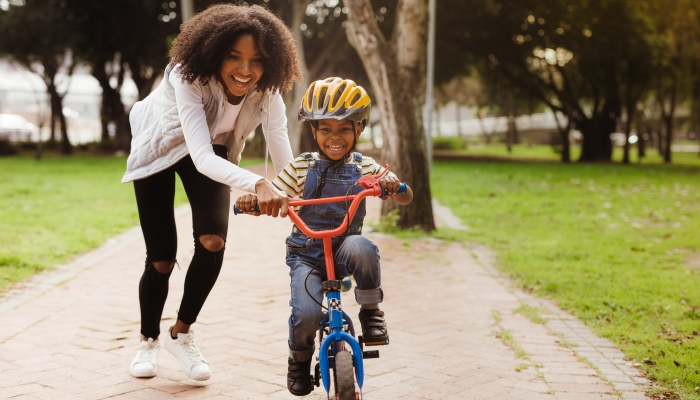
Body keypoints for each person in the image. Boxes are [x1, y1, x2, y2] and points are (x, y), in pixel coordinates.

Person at [121, 4, 302, 381]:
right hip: (160, 149)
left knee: (213, 240)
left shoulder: (267, 91)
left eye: (257, 60)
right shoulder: (188, 76)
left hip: (211, 149)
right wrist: (258, 182)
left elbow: (279, 141)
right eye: (233, 57)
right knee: (161, 260)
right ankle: (148, 339)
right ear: (214, 53)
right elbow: (200, 156)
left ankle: (180, 334)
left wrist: (295, 190)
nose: (245, 70)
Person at [235, 77, 413, 396]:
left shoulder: (365, 167)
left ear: (358, 130)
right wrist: (256, 200)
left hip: (344, 249)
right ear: (314, 131)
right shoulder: (302, 167)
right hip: (307, 255)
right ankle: (299, 361)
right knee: (305, 315)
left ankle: (371, 312)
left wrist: (393, 186)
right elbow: (275, 192)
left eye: (344, 129)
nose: (335, 137)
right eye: (326, 129)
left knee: (364, 247)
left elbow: (406, 196)